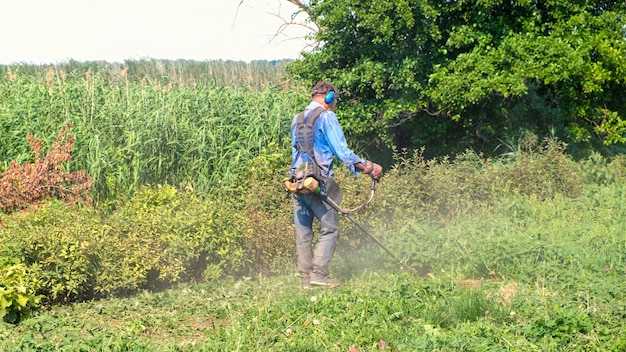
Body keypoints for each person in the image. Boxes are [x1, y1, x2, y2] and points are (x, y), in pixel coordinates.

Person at [289, 81, 383, 288]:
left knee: (303, 234)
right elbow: (343, 152)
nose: (334, 104)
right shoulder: (326, 116)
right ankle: (319, 275)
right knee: (330, 228)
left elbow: (295, 153)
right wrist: (368, 167)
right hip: (319, 182)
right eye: (334, 100)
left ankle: (305, 280)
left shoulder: (296, 119)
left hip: (297, 181)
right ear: (329, 97)